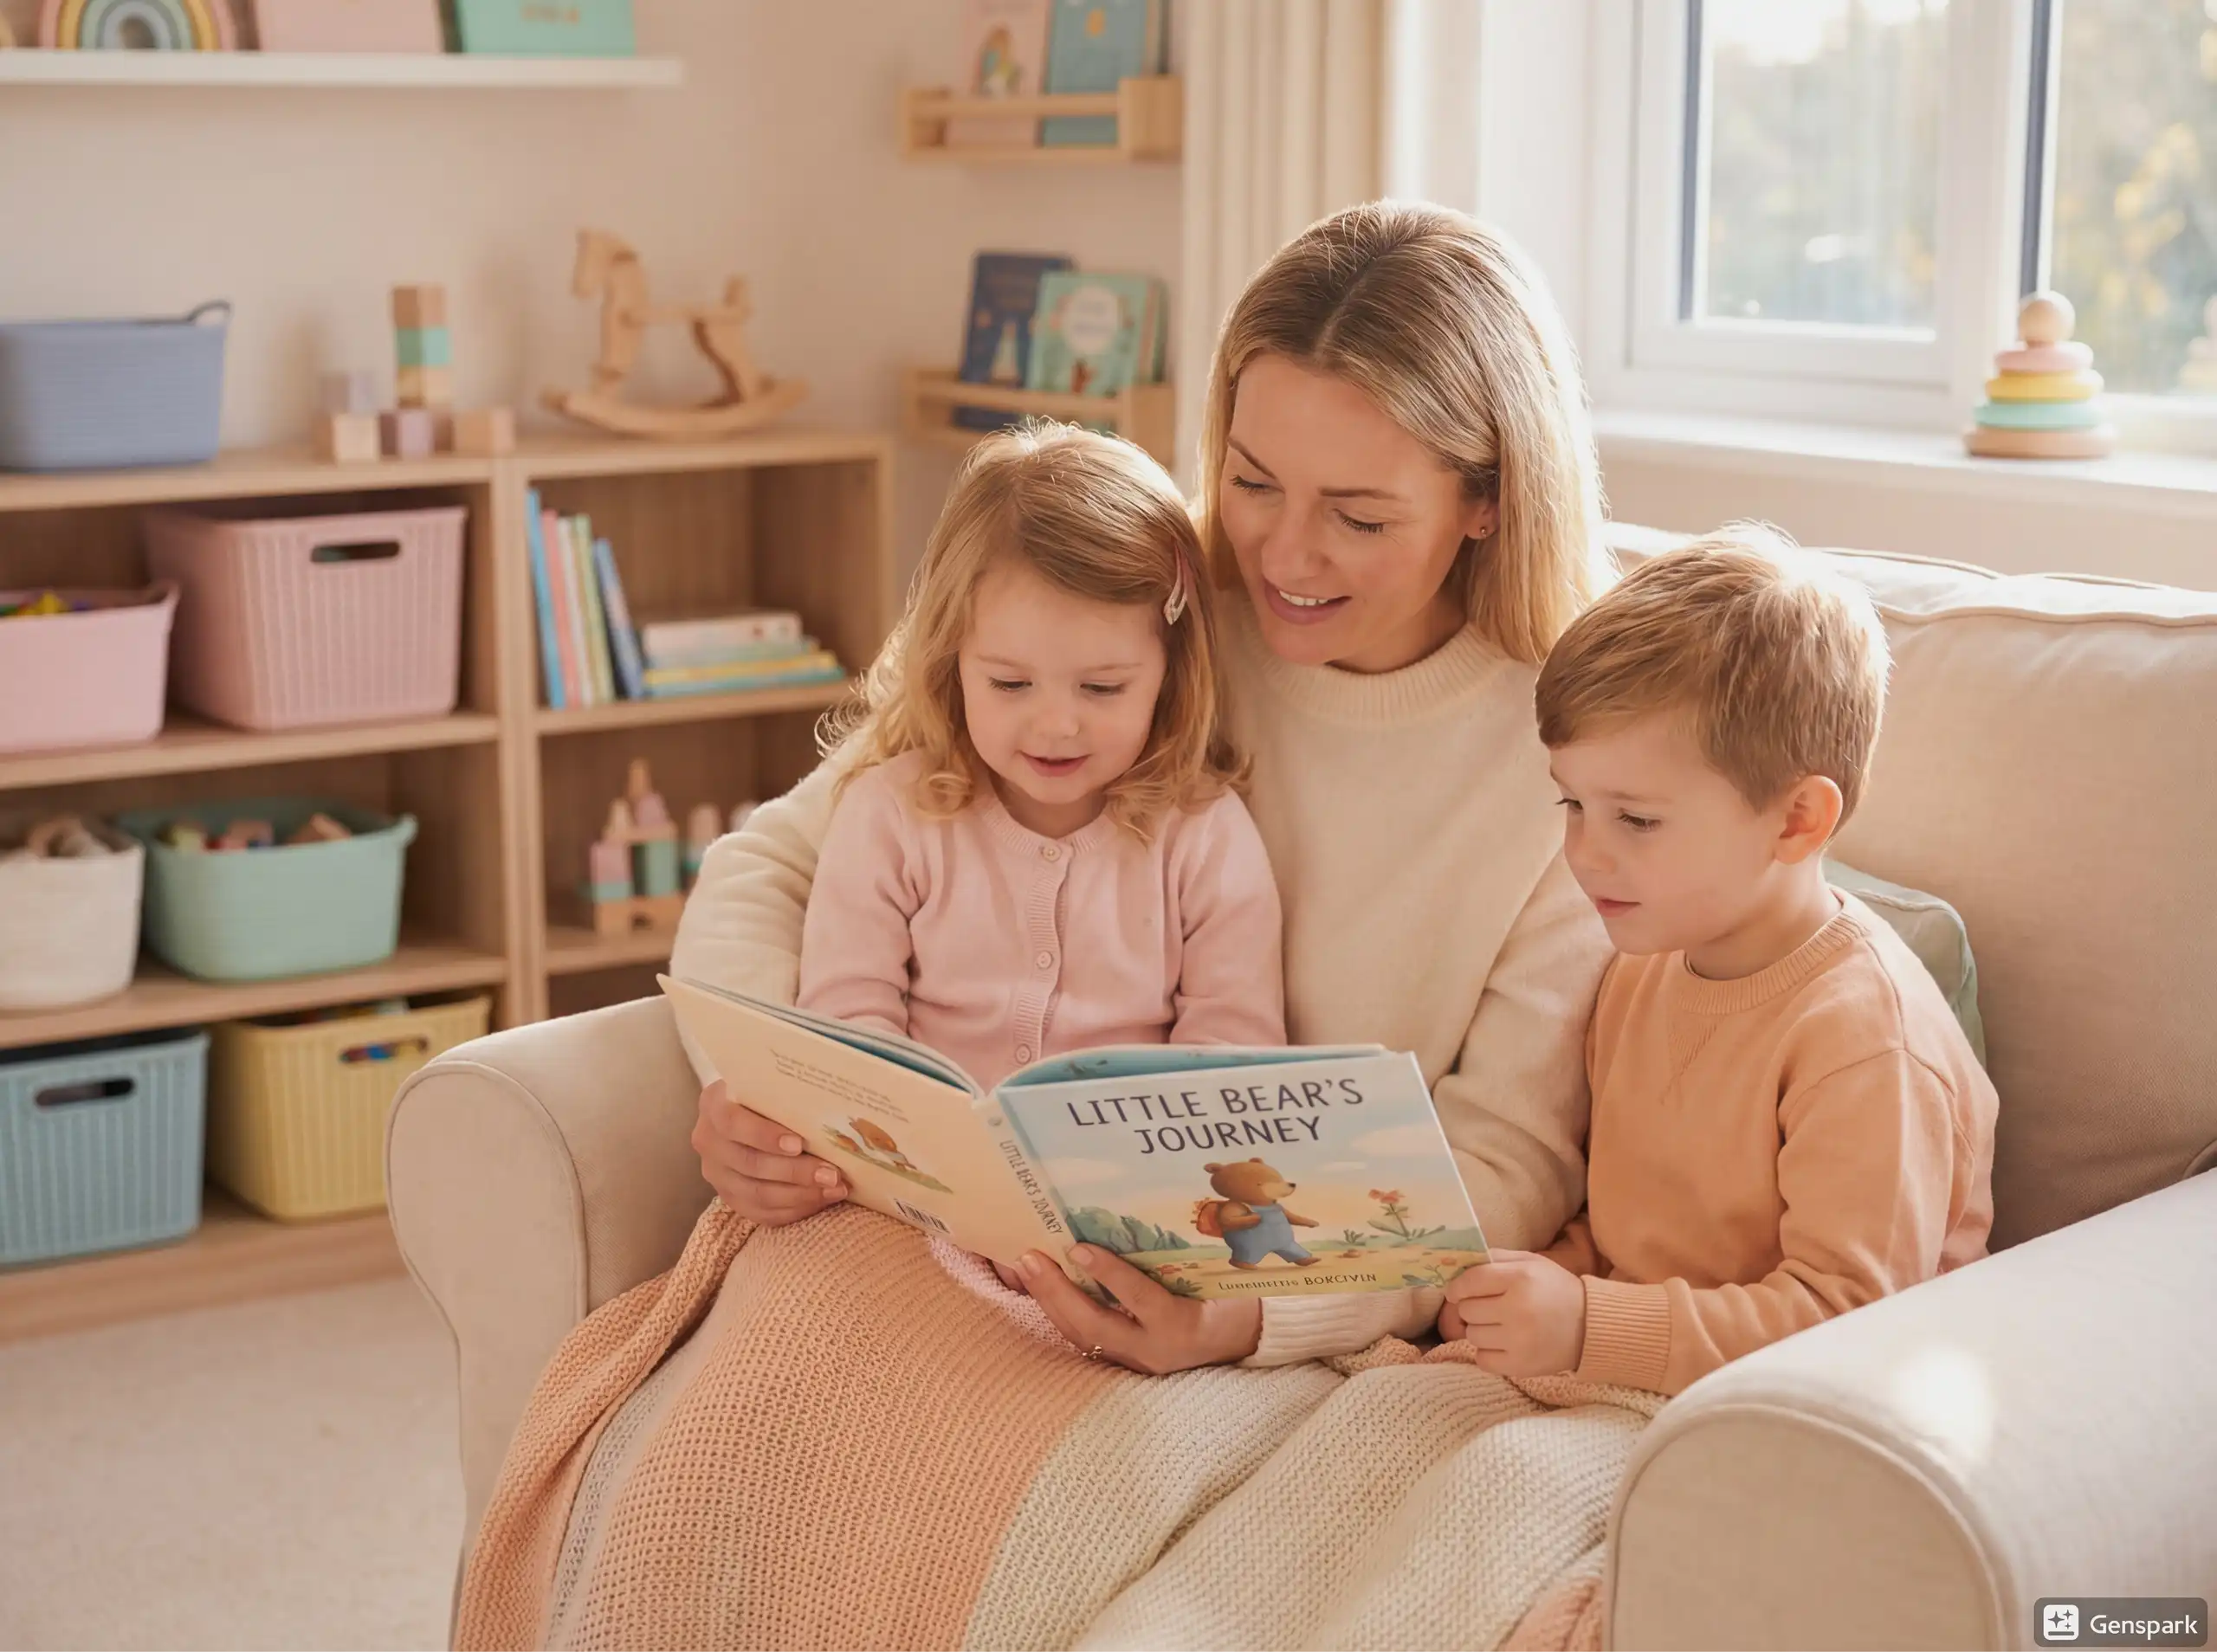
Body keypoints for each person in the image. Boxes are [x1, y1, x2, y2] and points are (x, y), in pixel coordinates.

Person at [675, 199, 1616, 1373]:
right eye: (1253, 482)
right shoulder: (1142, 617)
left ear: (1488, 501)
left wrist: (1254, 1317)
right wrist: (777, 1102)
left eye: (1359, 516)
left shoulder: (1573, 757)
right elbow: (774, 863)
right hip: (964, 1236)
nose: (1284, 558)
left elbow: (1508, 1158)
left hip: (1265, 1278)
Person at [1441, 532, 1999, 1394]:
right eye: (1572, 803)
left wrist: (1587, 1323)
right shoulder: (1642, 963)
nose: (1584, 854)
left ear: (1796, 821)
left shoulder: (1865, 1041)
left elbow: (1849, 1317)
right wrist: (1529, 1284)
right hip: (1627, 1372)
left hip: (1786, 1409)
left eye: (1636, 820)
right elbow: (1635, 1231)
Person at [796, 422, 1285, 1097]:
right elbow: (845, 1023)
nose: (1057, 726)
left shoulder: (1204, 836)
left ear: (1170, 674)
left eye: (1103, 688)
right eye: (1010, 684)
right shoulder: (890, 814)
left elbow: (1233, 1059)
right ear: (951, 660)